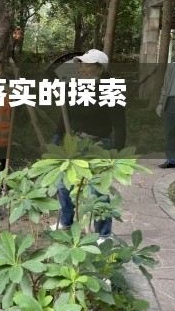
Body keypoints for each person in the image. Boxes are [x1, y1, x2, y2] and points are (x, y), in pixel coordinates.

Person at [50, 49, 126, 243]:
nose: (82, 68)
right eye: (81, 65)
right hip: (75, 142)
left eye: (87, 65)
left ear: (99, 68)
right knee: (63, 183)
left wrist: (117, 153)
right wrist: (57, 137)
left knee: (97, 189)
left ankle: (104, 233)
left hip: (100, 144)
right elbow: (64, 114)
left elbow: (120, 124)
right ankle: (66, 221)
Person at [156, 39, 175, 173]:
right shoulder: (172, 66)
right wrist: (161, 103)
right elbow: (165, 87)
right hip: (171, 104)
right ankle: (171, 161)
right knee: (169, 134)